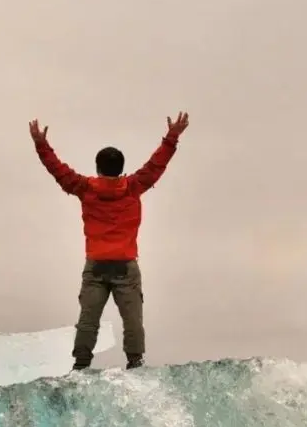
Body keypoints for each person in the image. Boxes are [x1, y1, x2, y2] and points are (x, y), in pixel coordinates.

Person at [28, 112, 190, 371]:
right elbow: (155, 166)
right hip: (126, 266)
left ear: (98, 167)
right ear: (121, 168)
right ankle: (135, 363)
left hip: (96, 267)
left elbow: (58, 171)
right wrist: (172, 137)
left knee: (88, 319)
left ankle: (81, 365)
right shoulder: (134, 186)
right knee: (133, 319)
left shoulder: (86, 188)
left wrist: (41, 145)